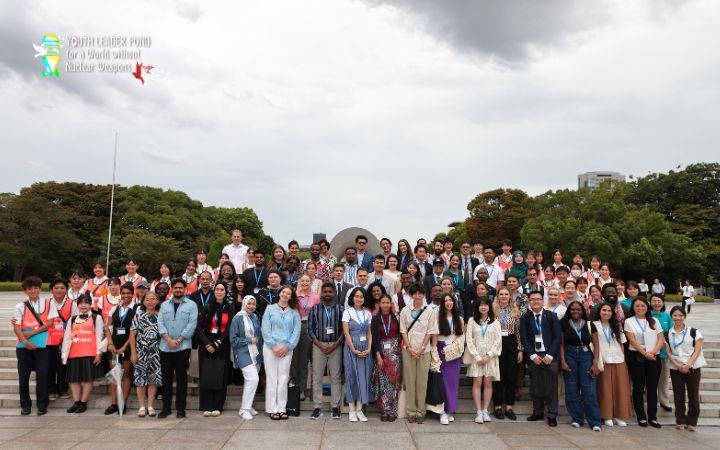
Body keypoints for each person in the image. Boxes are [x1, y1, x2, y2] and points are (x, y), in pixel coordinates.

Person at [13, 276, 58, 416]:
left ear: (40, 288)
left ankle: (42, 405)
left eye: (36, 288)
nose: (33, 290)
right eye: (30, 288)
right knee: (23, 377)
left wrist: (31, 333)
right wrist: (25, 342)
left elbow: (50, 323)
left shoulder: (48, 303)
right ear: (25, 291)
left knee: (43, 375)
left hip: (42, 346)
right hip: (23, 347)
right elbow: (16, 326)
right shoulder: (20, 306)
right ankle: (25, 405)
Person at [157, 278, 198, 418]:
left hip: (183, 347)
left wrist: (179, 339)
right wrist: (168, 339)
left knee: (181, 379)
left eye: (181, 288)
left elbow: (192, 324)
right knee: (166, 379)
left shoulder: (191, 305)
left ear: (185, 289)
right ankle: (166, 408)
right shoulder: (164, 305)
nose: (178, 290)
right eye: (175, 288)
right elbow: (160, 323)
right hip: (165, 347)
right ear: (171, 289)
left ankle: (181, 408)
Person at [520, 290, 561, 427]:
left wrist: (550, 355)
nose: (535, 301)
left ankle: (552, 415)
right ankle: (537, 412)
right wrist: (532, 355)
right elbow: (524, 338)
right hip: (534, 356)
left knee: (552, 387)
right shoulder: (525, 318)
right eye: (532, 299)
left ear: (542, 300)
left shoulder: (552, 316)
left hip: (550, 355)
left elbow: (557, 337)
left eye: (538, 299)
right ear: (529, 302)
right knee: (535, 386)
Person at [559, 301, 602, 431]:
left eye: (578, 309)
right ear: (569, 311)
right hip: (569, 355)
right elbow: (561, 344)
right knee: (571, 388)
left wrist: (595, 362)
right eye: (572, 309)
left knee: (588, 389)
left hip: (586, 356)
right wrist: (563, 361)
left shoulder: (590, 324)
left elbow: (596, 344)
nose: (575, 311)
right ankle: (577, 418)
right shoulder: (564, 324)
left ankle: (594, 421)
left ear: (583, 311)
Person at [400, 284, 439, 424]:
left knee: (422, 382)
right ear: (411, 295)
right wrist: (410, 348)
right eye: (415, 294)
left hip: (424, 351)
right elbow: (403, 330)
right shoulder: (405, 311)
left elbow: (430, 331)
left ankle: (421, 411)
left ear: (424, 295)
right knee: (410, 381)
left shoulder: (429, 312)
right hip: (408, 350)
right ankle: (411, 411)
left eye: (420, 294)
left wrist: (422, 348)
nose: (417, 296)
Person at [262, 285, 301, 420]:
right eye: (283, 292)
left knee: (283, 378)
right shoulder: (269, 309)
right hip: (270, 347)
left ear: (291, 296)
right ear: (279, 294)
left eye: (288, 293)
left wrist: (287, 347)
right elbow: (265, 330)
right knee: (272, 378)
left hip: (287, 348)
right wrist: (273, 346)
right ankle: (272, 408)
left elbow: (296, 332)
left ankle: (281, 408)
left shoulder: (294, 312)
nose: (285, 294)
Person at [624, 297, 665, 428]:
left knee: (652, 388)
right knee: (638, 387)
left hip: (654, 356)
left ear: (647, 307)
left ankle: (653, 417)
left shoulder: (654, 321)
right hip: (637, 356)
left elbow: (661, 339)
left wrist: (652, 352)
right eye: (637, 306)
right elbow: (632, 340)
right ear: (633, 308)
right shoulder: (629, 321)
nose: (640, 308)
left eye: (643, 306)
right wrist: (645, 353)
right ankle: (641, 416)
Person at [665, 306, 706, 431]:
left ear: (684, 317)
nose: (677, 318)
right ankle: (680, 420)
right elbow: (668, 352)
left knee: (693, 395)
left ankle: (692, 422)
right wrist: (678, 366)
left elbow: (697, 350)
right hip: (675, 367)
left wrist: (688, 365)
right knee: (678, 395)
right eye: (675, 315)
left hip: (693, 366)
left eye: (680, 315)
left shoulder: (694, 332)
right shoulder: (668, 333)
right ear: (671, 317)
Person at [197, 281, 235, 416]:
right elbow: (198, 327)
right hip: (206, 347)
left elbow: (229, 327)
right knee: (206, 375)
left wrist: (217, 343)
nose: (219, 292)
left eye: (222, 289)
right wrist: (207, 343)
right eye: (217, 289)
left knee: (221, 376)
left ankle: (218, 406)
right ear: (214, 291)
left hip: (222, 346)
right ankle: (206, 405)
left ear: (225, 292)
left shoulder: (230, 307)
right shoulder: (208, 306)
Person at [61, 293, 103, 414]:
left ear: (90, 304)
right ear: (77, 304)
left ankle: (83, 402)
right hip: (74, 352)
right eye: (81, 303)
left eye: (86, 302)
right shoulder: (73, 319)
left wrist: (98, 353)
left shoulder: (96, 318)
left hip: (89, 352)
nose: (83, 305)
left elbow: (99, 336)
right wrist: (64, 355)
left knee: (88, 379)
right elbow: (67, 337)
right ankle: (76, 402)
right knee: (74, 379)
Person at [308, 283, 344, 420]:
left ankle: (335, 407)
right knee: (317, 377)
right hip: (318, 345)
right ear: (321, 294)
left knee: (336, 377)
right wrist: (319, 345)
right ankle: (317, 407)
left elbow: (343, 329)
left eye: (330, 291)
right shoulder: (315, 309)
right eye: (325, 291)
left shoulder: (340, 309)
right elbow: (310, 329)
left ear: (333, 293)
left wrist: (335, 344)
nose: (327, 293)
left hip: (336, 345)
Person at [593, 302, 632, 427]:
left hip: (618, 359)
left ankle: (620, 415)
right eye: (604, 310)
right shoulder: (594, 325)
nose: (606, 313)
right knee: (605, 389)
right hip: (603, 359)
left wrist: (623, 358)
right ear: (599, 312)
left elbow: (622, 343)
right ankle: (607, 415)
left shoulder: (617, 325)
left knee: (620, 388)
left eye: (609, 311)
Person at [466, 296, 501, 424]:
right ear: (477, 307)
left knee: (488, 384)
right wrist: (477, 356)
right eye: (480, 305)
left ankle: (485, 410)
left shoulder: (495, 322)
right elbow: (469, 340)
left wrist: (489, 355)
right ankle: (478, 412)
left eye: (486, 304)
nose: (483, 307)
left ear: (489, 307)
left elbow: (498, 341)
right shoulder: (471, 321)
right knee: (477, 383)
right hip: (477, 358)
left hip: (490, 358)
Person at [104, 282, 137, 415]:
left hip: (128, 346)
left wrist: (124, 347)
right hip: (114, 346)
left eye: (128, 293)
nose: (126, 295)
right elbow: (107, 327)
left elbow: (135, 331)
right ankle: (113, 403)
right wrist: (111, 344)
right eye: (123, 293)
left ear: (132, 294)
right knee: (114, 374)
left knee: (127, 374)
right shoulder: (114, 308)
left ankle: (123, 403)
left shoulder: (137, 309)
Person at [342, 287, 374, 422]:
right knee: (351, 377)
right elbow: (346, 333)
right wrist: (353, 348)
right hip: (351, 348)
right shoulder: (347, 312)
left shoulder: (368, 314)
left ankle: (360, 409)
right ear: (352, 298)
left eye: (361, 297)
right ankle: (351, 409)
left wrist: (369, 347)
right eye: (356, 296)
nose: (359, 299)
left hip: (365, 349)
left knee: (364, 377)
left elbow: (369, 333)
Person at [230, 295, 264, 420]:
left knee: (251, 382)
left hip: (256, 354)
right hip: (243, 352)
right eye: (248, 304)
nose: (251, 306)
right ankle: (244, 409)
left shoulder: (255, 317)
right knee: (253, 379)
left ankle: (248, 406)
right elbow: (233, 340)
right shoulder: (237, 318)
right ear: (244, 304)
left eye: (253, 304)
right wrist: (249, 340)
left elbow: (259, 335)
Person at [130, 291, 162, 417]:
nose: (150, 302)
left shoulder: (161, 316)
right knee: (140, 379)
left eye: (153, 299)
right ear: (143, 302)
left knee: (153, 380)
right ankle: (141, 406)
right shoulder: (138, 315)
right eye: (147, 299)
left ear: (157, 301)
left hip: (156, 352)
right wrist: (133, 352)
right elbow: (132, 335)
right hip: (141, 352)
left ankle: (150, 405)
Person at [492, 287, 523, 420]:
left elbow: (518, 332)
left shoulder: (515, 311)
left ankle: (509, 406)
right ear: (498, 296)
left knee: (511, 376)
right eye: (501, 294)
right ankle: (498, 406)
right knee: (499, 376)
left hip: (511, 343)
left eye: (506, 294)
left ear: (510, 296)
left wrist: (520, 349)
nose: (504, 296)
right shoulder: (493, 310)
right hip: (496, 344)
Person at [371, 293, 402, 422]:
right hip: (382, 353)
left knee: (394, 383)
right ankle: (385, 410)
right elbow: (375, 340)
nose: (385, 305)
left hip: (395, 354)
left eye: (387, 303)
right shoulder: (375, 319)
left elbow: (400, 335)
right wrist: (378, 355)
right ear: (379, 305)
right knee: (383, 382)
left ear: (391, 304)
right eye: (383, 303)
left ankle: (393, 410)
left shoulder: (396, 318)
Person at [436, 294, 465, 425]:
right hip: (441, 351)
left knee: (453, 383)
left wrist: (453, 348)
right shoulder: (437, 318)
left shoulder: (459, 319)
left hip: (454, 353)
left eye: (450, 300)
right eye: (446, 300)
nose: (448, 302)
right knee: (442, 383)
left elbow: (461, 337)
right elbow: (434, 337)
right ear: (442, 303)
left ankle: (450, 409)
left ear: (454, 302)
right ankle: (442, 412)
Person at [47, 278, 76, 401]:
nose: (59, 290)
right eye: (56, 288)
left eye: (62, 288)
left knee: (63, 366)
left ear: (66, 290)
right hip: (48, 339)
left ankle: (63, 389)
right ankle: (51, 390)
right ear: (51, 290)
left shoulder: (72, 303)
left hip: (65, 340)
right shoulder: (46, 303)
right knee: (49, 366)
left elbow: (75, 321)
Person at [292, 274, 319, 401]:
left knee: (303, 360)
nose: (305, 283)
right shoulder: (294, 296)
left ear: (311, 283)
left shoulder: (315, 298)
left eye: (307, 281)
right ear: (299, 282)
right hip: (295, 326)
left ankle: (302, 388)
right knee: (294, 359)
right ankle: (294, 386)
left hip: (308, 327)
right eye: (302, 281)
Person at [649, 293, 674, 413]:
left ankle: (664, 401)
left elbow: (672, 333)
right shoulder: (647, 316)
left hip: (663, 353)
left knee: (663, 379)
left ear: (663, 303)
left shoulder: (666, 316)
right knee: (649, 379)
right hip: (650, 353)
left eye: (659, 301)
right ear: (650, 303)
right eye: (654, 301)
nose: (656, 303)